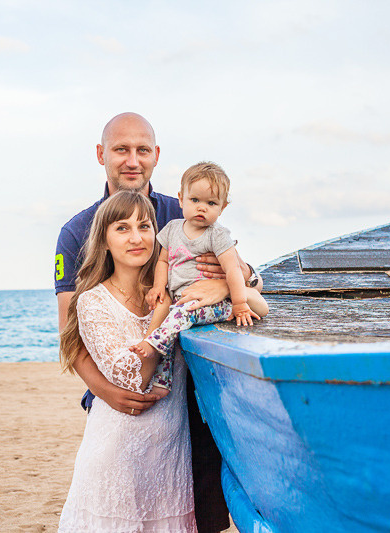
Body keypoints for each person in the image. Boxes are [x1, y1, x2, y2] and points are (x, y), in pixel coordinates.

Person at [55, 112, 262, 532]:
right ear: (101, 154)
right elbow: (70, 329)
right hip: (122, 392)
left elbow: (243, 275)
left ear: (156, 155)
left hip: (191, 395)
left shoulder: (185, 210)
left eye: (142, 150)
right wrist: (107, 391)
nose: (132, 160)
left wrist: (233, 280)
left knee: (199, 514)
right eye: (121, 149)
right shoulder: (76, 231)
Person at [58, 190, 195, 531]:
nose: (136, 238)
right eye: (122, 228)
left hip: (169, 461)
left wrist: (222, 289)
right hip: (115, 460)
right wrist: (162, 315)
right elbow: (132, 379)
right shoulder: (93, 301)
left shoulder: (175, 288)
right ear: (104, 241)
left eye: (144, 226)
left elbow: (246, 291)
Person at [131, 162, 269, 396]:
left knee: (179, 316)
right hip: (182, 300)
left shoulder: (217, 235)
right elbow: (163, 261)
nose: (201, 208)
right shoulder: (172, 229)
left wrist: (239, 303)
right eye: (194, 200)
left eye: (211, 203)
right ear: (181, 199)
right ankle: (162, 383)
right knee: (172, 332)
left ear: (222, 208)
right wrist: (158, 286)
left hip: (210, 302)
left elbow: (233, 270)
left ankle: (154, 342)